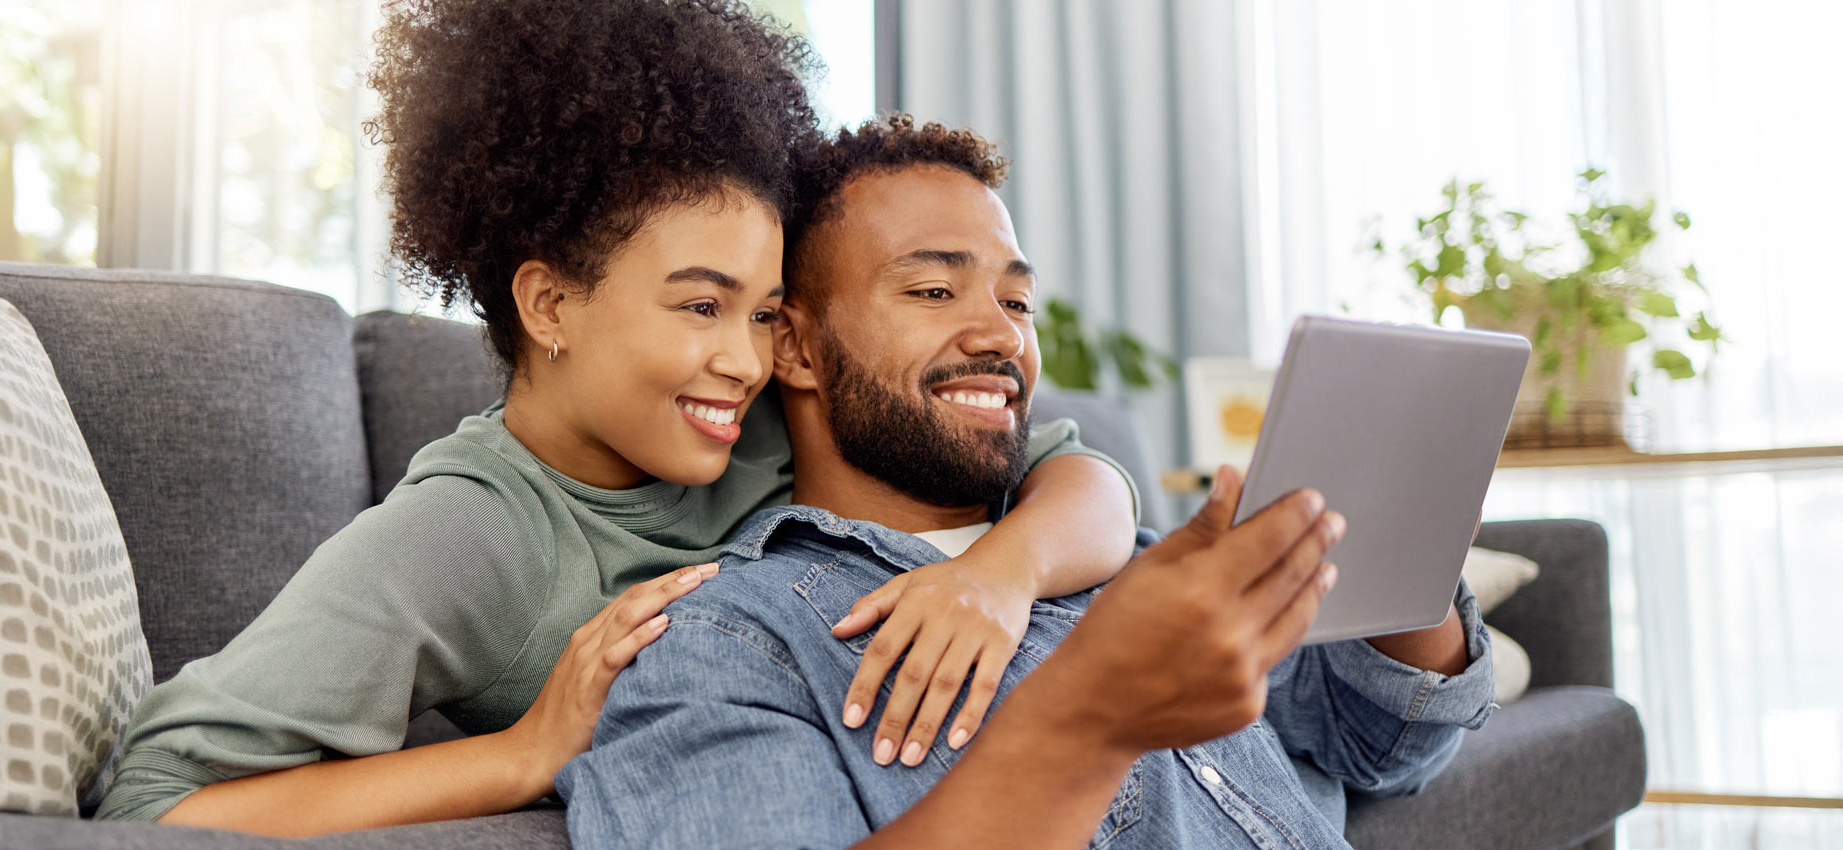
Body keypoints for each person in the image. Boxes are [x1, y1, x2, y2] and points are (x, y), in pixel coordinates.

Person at [95, 4, 1138, 835]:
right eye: (699, 306)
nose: (747, 356)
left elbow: (1075, 475)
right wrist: (524, 751)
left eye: (766, 310)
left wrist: (998, 577)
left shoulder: (771, 403)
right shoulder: (469, 535)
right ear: (550, 305)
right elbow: (157, 802)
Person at [552, 116, 1498, 849]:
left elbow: (1381, 745)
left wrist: (1394, 524)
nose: (1001, 335)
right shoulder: (733, 643)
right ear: (794, 345)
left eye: (1016, 301)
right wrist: (1087, 719)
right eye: (933, 291)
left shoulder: (1130, 568)